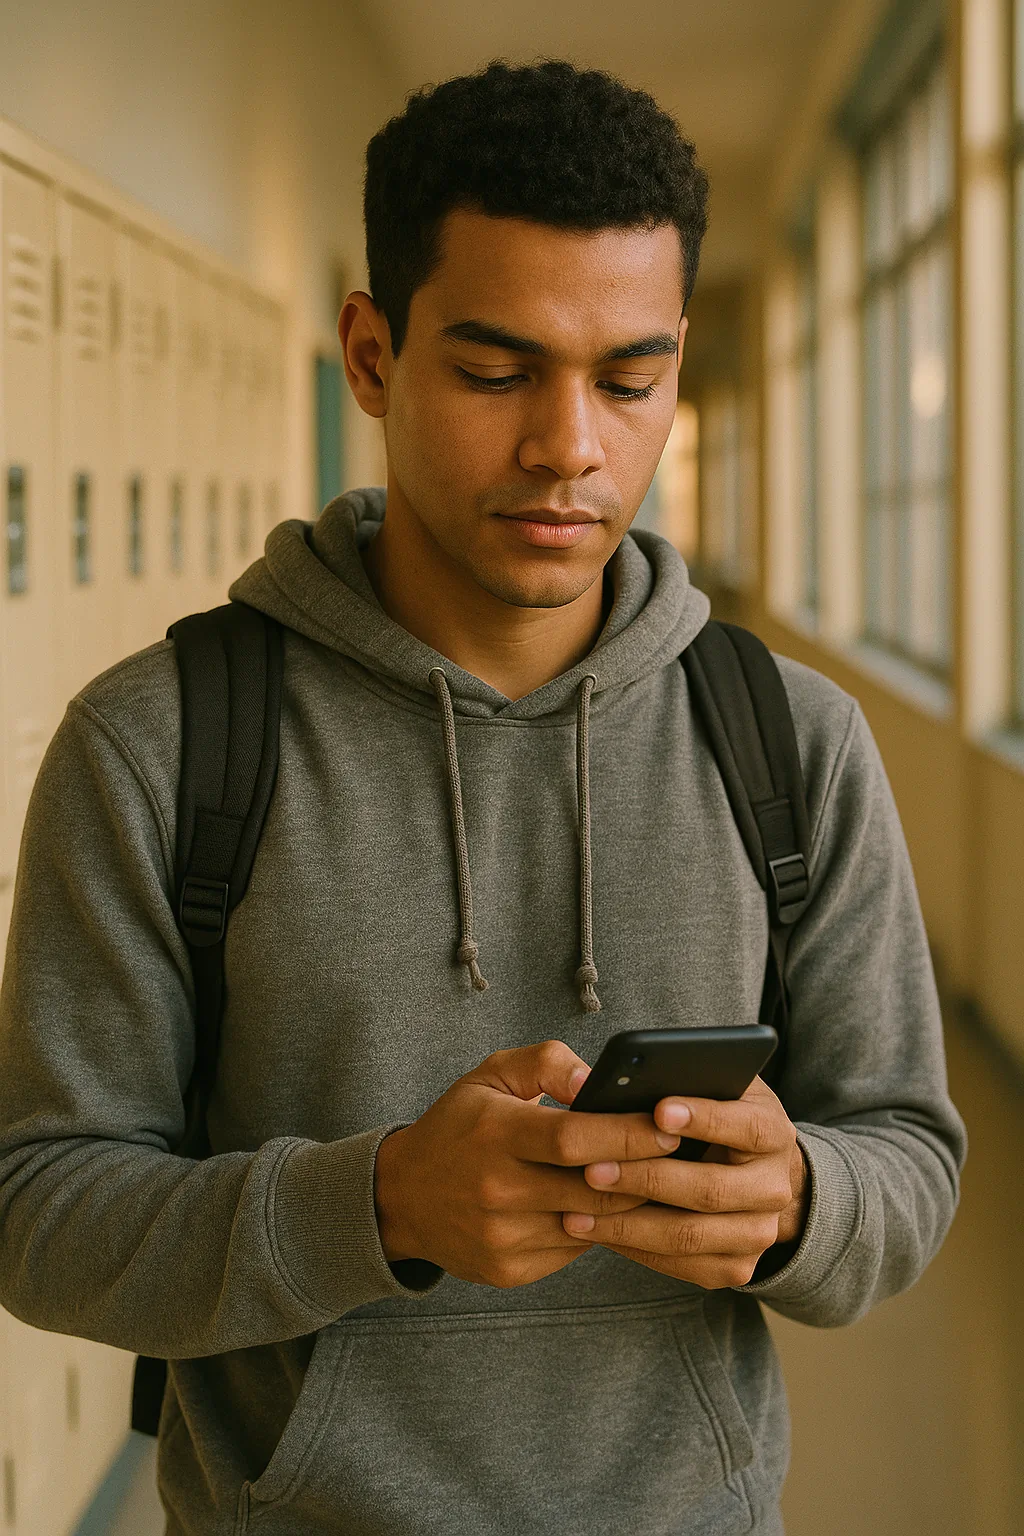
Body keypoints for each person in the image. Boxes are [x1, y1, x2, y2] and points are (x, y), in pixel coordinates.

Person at [0, 60, 965, 1536]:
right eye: (497, 372)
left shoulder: (795, 743)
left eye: (629, 382)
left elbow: (908, 1152)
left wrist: (799, 1203)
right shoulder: (160, 743)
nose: (569, 446)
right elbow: (43, 1211)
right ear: (370, 356)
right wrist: (380, 1203)